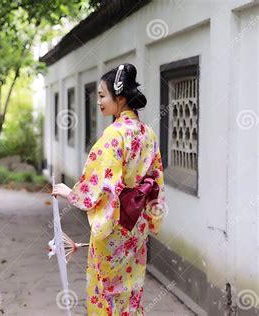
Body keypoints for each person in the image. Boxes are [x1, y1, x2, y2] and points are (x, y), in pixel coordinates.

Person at [51, 63, 167, 315]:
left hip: (114, 224)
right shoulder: (149, 133)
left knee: (105, 290)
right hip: (136, 225)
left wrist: (70, 194)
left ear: (120, 98)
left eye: (102, 96)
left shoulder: (114, 134)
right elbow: (156, 179)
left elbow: (101, 182)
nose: (99, 102)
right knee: (131, 287)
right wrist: (152, 216)